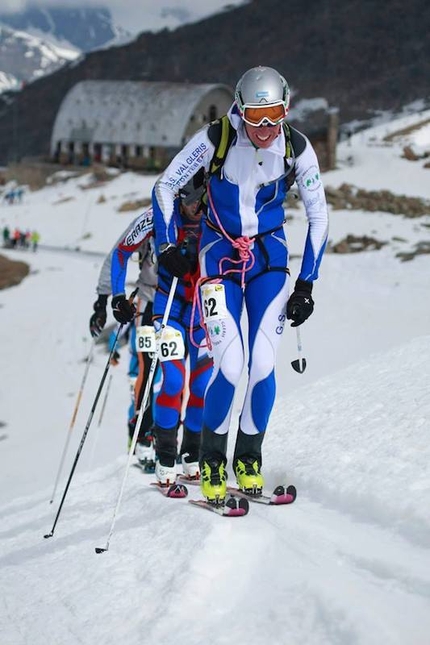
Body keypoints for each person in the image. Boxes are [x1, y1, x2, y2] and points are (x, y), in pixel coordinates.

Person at [152, 66, 329, 504]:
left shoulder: (297, 147)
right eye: (256, 116)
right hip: (219, 261)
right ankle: (212, 459)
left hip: (269, 261)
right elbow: (164, 188)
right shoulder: (217, 138)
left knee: (264, 364)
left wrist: (306, 283)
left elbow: (319, 215)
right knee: (230, 366)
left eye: (274, 115)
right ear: (239, 109)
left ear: (286, 110)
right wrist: (168, 245)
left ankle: (248, 458)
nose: (266, 127)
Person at [112, 170, 213, 485]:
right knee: (172, 380)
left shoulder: (218, 219)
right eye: (196, 202)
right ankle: (165, 457)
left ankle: (191, 455)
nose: (200, 209)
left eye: (205, 202)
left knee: (201, 386)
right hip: (168, 309)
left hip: (204, 311)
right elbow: (120, 253)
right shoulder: (159, 219)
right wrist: (116, 296)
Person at [89, 215, 157, 466]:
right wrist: (102, 300)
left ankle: (172, 439)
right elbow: (117, 254)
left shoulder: (210, 201)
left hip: (186, 300)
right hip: (149, 299)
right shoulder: (150, 218)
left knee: (173, 376)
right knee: (147, 371)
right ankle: (141, 436)